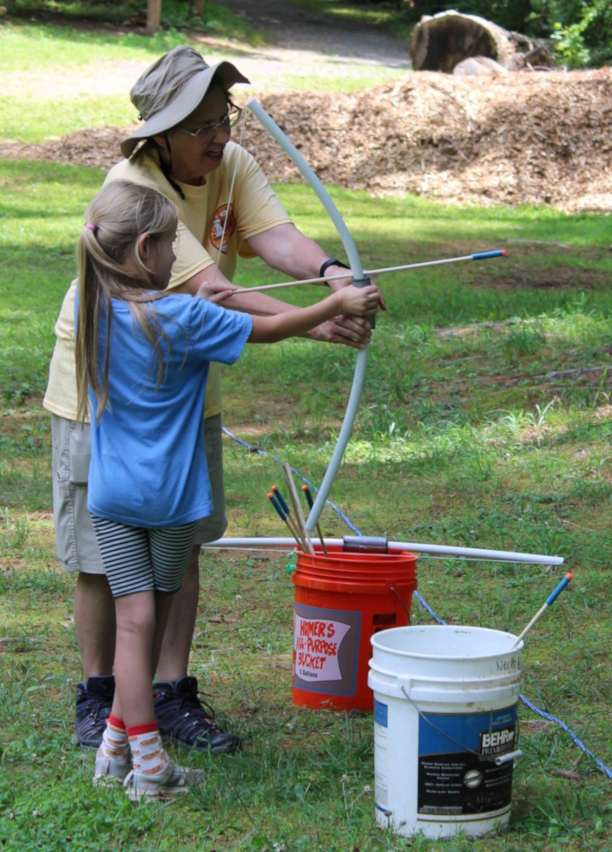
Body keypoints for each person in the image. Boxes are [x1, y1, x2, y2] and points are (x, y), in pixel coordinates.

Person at [43, 45, 385, 754]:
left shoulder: (228, 163)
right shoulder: (135, 192)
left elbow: (275, 236)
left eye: (222, 117)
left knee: (184, 536)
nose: (220, 135)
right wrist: (326, 318)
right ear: (159, 134)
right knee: (101, 557)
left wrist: (327, 274)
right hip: (101, 399)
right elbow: (213, 296)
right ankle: (101, 696)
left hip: (182, 393)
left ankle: (168, 693)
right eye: (201, 125)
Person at [76, 180, 379, 798]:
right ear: (144, 250)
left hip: (111, 500)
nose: (178, 260)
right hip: (168, 502)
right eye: (171, 247)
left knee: (132, 627)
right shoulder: (182, 317)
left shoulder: (93, 305)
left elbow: (209, 312)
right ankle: (151, 765)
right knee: (143, 627)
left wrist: (221, 296)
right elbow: (269, 330)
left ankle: (113, 747)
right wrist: (333, 305)